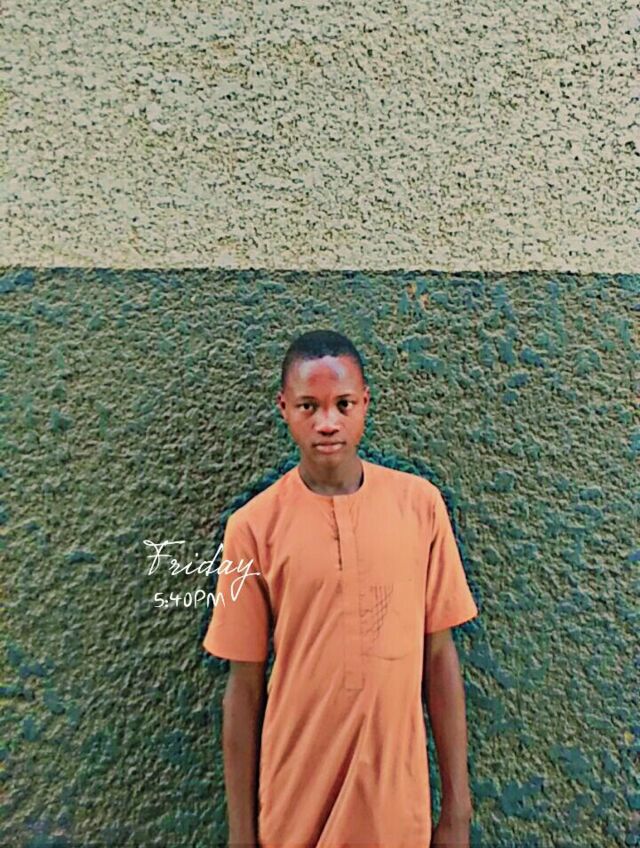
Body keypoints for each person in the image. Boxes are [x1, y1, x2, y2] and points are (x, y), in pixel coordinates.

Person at [202, 329, 479, 848]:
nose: (327, 422)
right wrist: (241, 835)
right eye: (308, 406)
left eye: (343, 404)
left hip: (397, 815)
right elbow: (242, 688)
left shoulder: (420, 508)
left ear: (365, 404)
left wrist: (457, 811)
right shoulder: (253, 527)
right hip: (294, 812)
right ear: (284, 408)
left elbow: (440, 657)